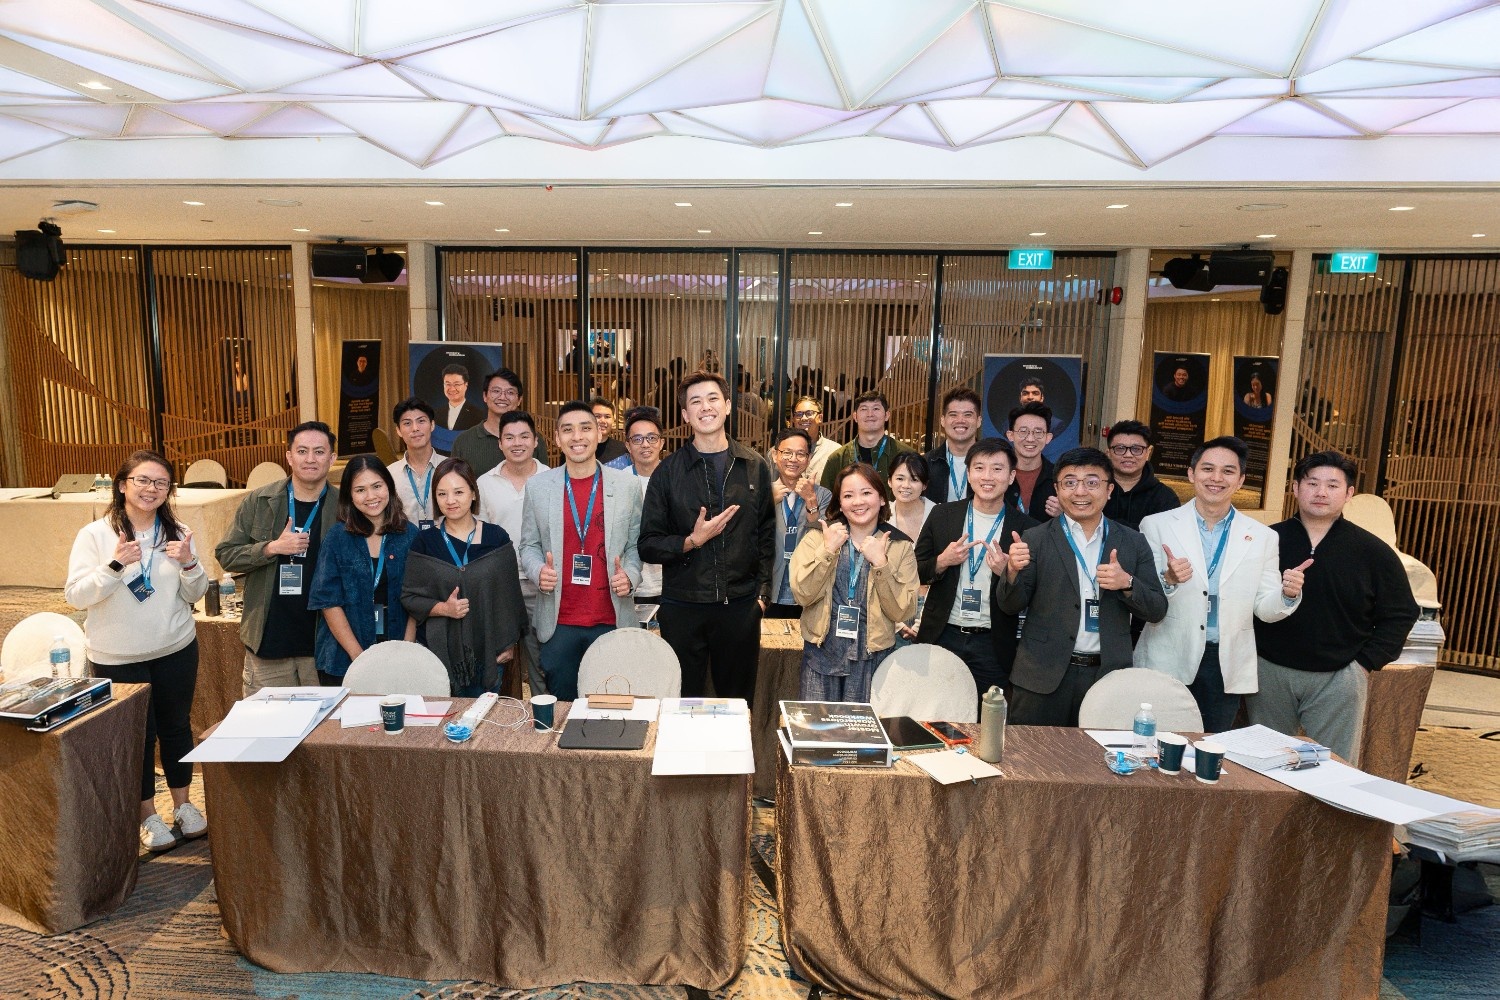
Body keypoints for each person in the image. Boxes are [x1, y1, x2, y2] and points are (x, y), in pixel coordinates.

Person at [66, 451, 208, 852]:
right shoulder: (95, 535)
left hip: (175, 647)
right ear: (122, 485)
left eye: (161, 483)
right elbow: (76, 596)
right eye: (143, 480)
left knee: (176, 727)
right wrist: (114, 566)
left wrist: (190, 563)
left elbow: (196, 592)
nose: (151, 489)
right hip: (117, 656)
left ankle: (183, 805)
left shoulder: (177, 532)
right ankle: (147, 814)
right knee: (137, 737)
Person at [1250, 451, 1419, 763]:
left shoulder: (1372, 551)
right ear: (1295, 487)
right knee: (1263, 764)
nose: (1321, 492)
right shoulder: (1266, 539)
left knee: (1334, 768)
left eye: (1332, 485)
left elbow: (1401, 612)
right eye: (1312, 483)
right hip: (1269, 670)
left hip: (1339, 676)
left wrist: (1364, 663)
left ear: (1349, 493)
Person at [1135, 437, 1304, 732]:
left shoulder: (1263, 536)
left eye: (1228, 471)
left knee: (1212, 747)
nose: (1216, 478)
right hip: (1168, 653)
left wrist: (1287, 595)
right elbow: (1145, 598)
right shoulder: (1156, 525)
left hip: (1225, 661)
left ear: (1240, 480)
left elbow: (1265, 609)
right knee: (1157, 742)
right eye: (1207, 469)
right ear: (1191, 474)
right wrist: (1169, 580)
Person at [998, 447, 1167, 726]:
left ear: (1109, 489)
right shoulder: (1035, 538)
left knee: (1099, 753)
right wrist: (1012, 571)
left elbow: (1157, 609)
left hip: (1107, 676)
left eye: (1091, 482)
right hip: (1042, 675)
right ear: (1057, 489)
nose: (1080, 492)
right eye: (1070, 482)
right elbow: (1009, 605)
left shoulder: (1132, 542)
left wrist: (1127, 583)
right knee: (1033, 752)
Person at [639, 370, 775, 700]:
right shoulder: (667, 471)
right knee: (683, 702)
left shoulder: (754, 465)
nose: (706, 407)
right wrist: (690, 541)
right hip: (682, 607)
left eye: (713, 398)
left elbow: (767, 536)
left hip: (740, 607)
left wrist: (761, 596)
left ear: (727, 406)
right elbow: (648, 544)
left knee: (737, 703)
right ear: (685, 414)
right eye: (695, 402)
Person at [518, 402, 642, 700]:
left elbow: (636, 544)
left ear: (599, 434)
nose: (577, 437)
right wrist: (538, 571)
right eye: (567, 430)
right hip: (559, 622)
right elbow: (529, 545)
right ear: (557, 438)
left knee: (611, 707)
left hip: (612, 619)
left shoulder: (627, 486)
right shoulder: (538, 487)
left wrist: (630, 576)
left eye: (585, 428)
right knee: (564, 709)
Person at [216, 421, 340, 695]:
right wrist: (270, 548)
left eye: (319, 452)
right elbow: (226, 555)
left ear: (332, 458)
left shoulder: (345, 507)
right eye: (302, 451)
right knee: (266, 721)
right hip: (269, 644)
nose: (310, 459)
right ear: (289, 456)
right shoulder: (259, 501)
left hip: (323, 645)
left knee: (325, 722)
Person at [915, 439, 1035, 694]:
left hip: (993, 643)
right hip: (943, 634)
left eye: (997, 469)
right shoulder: (942, 515)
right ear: (969, 474)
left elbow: (1025, 598)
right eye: (979, 468)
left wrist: (1008, 574)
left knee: (988, 713)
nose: (987, 476)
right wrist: (942, 561)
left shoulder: (1027, 529)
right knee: (935, 707)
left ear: (1011, 476)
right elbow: (915, 571)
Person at [789, 463, 918, 702]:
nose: (858, 502)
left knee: (864, 725)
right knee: (818, 724)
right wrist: (828, 551)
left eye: (866, 493)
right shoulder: (818, 537)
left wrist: (881, 564)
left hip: (874, 657)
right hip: (822, 654)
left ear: (882, 499)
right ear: (839, 503)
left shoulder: (900, 547)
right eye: (848, 495)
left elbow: (903, 610)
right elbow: (802, 594)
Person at [402, 458, 527, 698]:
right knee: (446, 718)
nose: (450, 500)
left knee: (486, 716)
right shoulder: (425, 542)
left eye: (458, 492)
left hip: (489, 653)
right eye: (442, 494)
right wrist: (443, 608)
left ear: (473, 493)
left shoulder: (497, 539)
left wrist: (509, 642)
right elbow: (410, 597)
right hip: (440, 655)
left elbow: (510, 599)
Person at [308, 455, 419, 685]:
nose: (370, 496)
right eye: (360, 490)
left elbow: (418, 599)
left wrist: (406, 650)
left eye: (377, 486)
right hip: (345, 657)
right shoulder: (337, 538)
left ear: (389, 486)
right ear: (349, 495)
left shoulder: (409, 535)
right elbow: (328, 601)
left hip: (397, 650)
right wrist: (358, 657)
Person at [476, 410, 550, 694]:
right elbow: (480, 539)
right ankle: (508, 717)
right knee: (503, 662)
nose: (517, 443)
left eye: (524, 436)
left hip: (543, 584)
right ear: (500, 443)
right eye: (509, 437)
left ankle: (543, 713)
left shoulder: (552, 478)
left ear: (535, 441)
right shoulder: (484, 483)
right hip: (502, 586)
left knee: (541, 661)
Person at [767, 428, 832, 619]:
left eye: (800, 454)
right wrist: (768, 502)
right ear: (775, 455)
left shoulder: (822, 495)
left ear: (809, 458)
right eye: (787, 452)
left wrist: (811, 501)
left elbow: (827, 540)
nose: (793, 459)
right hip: (769, 584)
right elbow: (747, 533)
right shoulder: (761, 491)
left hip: (808, 585)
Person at [451, 367, 546, 476]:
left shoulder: (532, 440)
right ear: (485, 396)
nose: (502, 397)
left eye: (510, 392)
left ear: (519, 400)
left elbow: (545, 479)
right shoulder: (463, 441)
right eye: (496, 391)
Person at [613, 405, 666, 601]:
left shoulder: (676, 479)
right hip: (629, 583)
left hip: (670, 583)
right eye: (637, 439)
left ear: (661, 443)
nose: (645, 445)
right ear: (628, 445)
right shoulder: (617, 483)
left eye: (651, 438)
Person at [820, 390, 913, 490]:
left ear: (887, 415)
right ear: (855, 417)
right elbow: (826, 497)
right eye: (864, 409)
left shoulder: (907, 456)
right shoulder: (837, 459)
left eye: (876, 408)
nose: (870, 414)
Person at [1101, 420, 1179, 531]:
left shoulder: (1164, 497)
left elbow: (1165, 535)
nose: (1128, 455)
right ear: (1108, 453)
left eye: (1136, 449)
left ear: (1148, 452)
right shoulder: (1094, 489)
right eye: (1120, 449)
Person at [389, 396, 439, 526]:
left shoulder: (450, 468)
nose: (415, 428)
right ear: (398, 431)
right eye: (407, 423)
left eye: (421, 421)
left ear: (432, 425)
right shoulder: (389, 474)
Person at [925, 387, 980, 503]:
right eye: (953, 415)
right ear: (942, 420)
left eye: (968, 415)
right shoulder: (926, 463)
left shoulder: (993, 464)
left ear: (979, 421)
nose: (960, 420)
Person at [1005, 402, 1058, 520]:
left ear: (1048, 438)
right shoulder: (996, 474)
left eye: (1038, 432)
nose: (1030, 439)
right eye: (1023, 431)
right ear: (1010, 435)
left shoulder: (1059, 478)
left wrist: (1065, 514)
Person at [785, 395, 840, 484]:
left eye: (809, 413)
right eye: (799, 414)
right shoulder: (781, 451)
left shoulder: (834, 452)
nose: (803, 418)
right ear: (793, 419)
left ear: (820, 418)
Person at [438, 363, 483, 433]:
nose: (452, 389)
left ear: (466, 385)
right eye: (448, 384)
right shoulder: (436, 414)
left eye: (457, 384)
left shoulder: (478, 415)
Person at [590, 396, 629, 464]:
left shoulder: (622, 450)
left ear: (613, 420)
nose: (603, 421)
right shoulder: (580, 448)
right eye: (598, 416)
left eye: (607, 417)